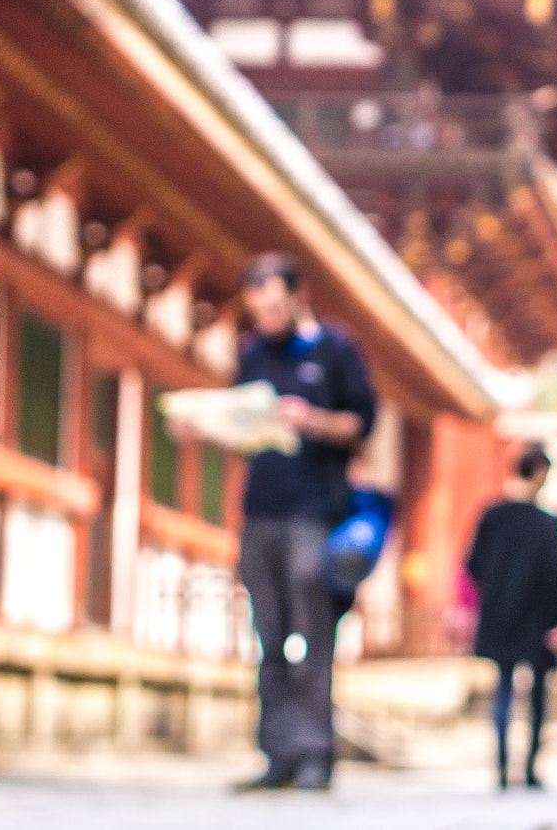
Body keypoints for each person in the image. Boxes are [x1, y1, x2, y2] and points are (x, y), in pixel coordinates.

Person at [228, 252, 375, 793]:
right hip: (260, 510)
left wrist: (311, 420)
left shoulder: (336, 350)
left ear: (297, 295)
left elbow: (362, 425)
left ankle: (316, 753)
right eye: (255, 310)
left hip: (313, 510)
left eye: (272, 306)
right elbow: (242, 422)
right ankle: (277, 754)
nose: (264, 318)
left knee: (312, 636)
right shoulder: (251, 354)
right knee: (267, 638)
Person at [466, 446, 557, 791]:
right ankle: (529, 768)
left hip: (498, 614)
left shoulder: (492, 515)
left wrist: (495, 593)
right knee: (536, 692)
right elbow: (554, 577)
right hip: (536, 618)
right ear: (539, 473)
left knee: (504, 688)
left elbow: (473, 563)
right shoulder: (545, 523)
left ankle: (501, 766)